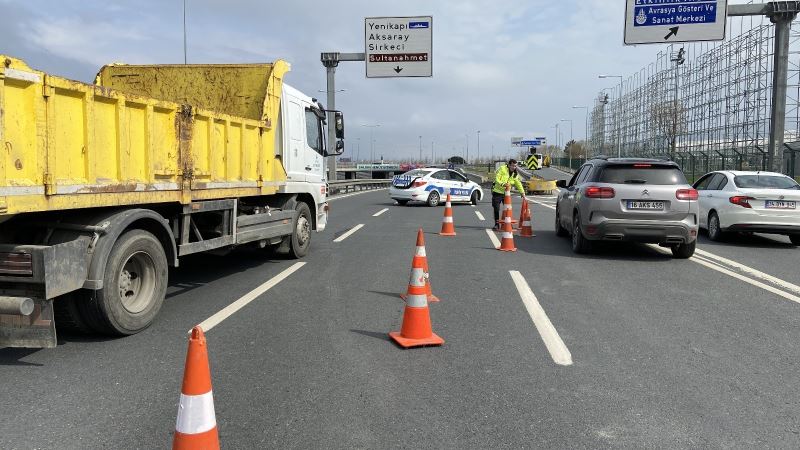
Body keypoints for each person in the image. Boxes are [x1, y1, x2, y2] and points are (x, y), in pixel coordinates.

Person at [491, 159, 526, 230]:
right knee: (496, 208)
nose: (514, 167)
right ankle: (497, 224)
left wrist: (522, 192)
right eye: (513, 166)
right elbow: (497, 178)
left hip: (506, 194)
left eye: (515, 166)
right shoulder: (502, 168)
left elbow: (517, 183)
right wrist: (502, 184)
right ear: (509, 165)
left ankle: (508, 223)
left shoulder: (515, 173)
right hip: (497, 192)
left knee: (508, 209)